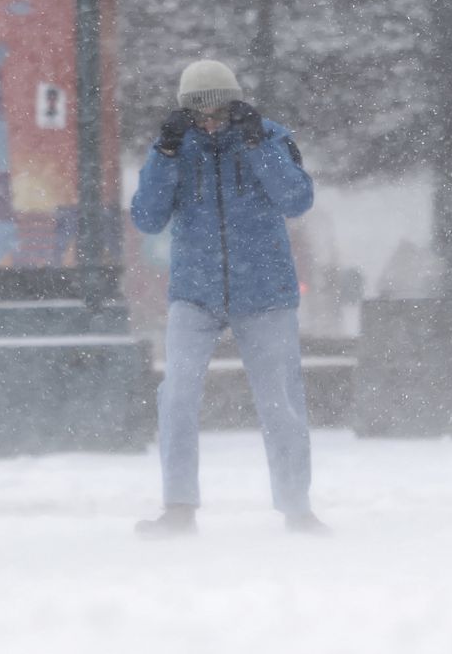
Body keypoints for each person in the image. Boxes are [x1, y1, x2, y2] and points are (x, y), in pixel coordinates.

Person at [130, 60, 325, 537]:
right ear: (186, 111)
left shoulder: (271, 138)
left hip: (265, 293)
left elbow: (297, 199)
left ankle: (297, 509)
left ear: (235, 104)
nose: (211, 121)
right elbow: (146, 217)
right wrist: (166, 153)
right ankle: (179, 508)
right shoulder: (175, 148)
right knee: (176, 394)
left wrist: (259, 146)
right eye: (200, 113)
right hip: (194, 292)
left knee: (279, 399)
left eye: (219, 110)